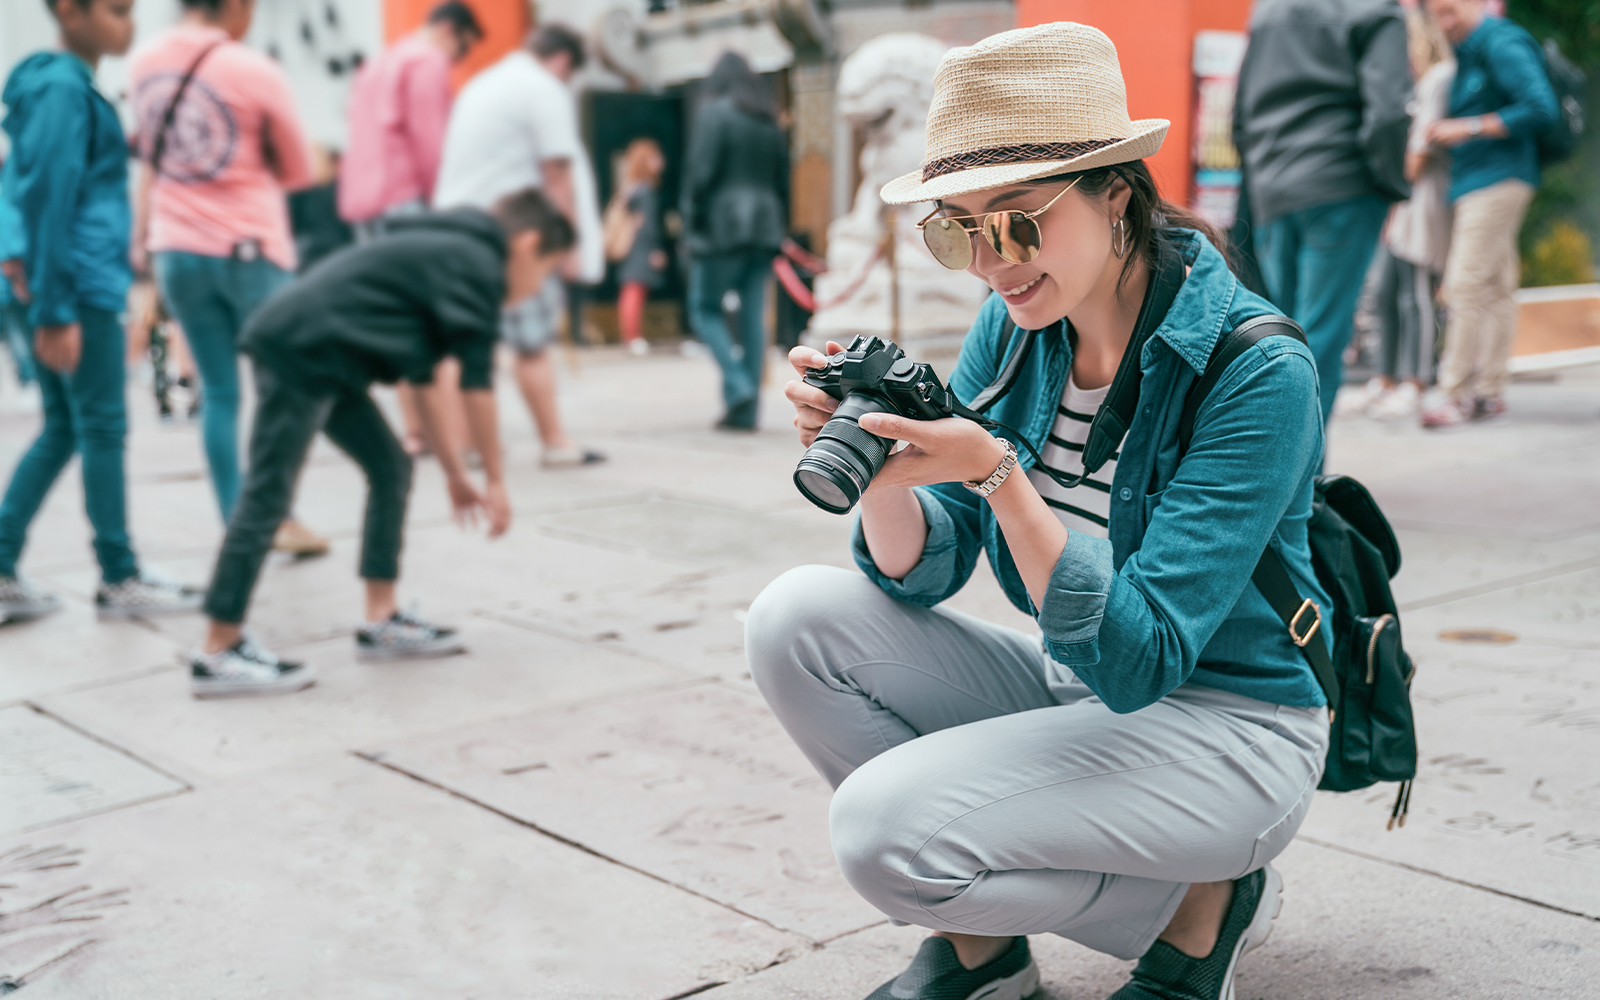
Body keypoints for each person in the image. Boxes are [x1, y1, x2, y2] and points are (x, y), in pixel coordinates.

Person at [748, 23, 1332, 1000]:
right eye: (955, 227)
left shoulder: (1257, 371)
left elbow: (1144, 656)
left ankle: (1208, 903)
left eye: (1016, 222)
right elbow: (928, 571)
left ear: (1117, 192)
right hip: (1083, 694)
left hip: (1231, 726)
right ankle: (988, 956)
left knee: (882, 831)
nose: (988, 261)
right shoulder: (1018, 326)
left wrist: (997, 477)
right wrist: (889, 477)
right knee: (790, 620)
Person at [189, 188, 573, 697]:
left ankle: (381, 618)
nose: (535, 287)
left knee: (392, 465)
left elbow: (428, 379)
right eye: (545, 271)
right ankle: (218, 648)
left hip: (329, 358)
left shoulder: (447, 252)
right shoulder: (479, 267)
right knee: (269, 493)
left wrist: (458, 474)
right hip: (301, 352)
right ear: (526, 245)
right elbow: (476, 388)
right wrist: (496, 482)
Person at [0, 0, 205, 624]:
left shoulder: (61, 87)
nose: (130, 23)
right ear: (71, 11)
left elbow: (31, 183)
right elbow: (47, 195)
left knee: (65, 427)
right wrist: (58, 307)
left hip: (71, 283)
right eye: (117, 10)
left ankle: (2, 564)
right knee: (101, 429)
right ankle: (119, 576)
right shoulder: (62, 87)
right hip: (79, 288)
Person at [129, 0, 327, 556]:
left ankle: (238, 524)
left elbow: (148, 158)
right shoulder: (251, 68)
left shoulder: (144, 61)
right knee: (286, 385)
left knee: (218, 392)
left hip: (175, 249)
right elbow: (299, 169)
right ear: (237, 6)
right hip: (248, 249)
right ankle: (277, 515)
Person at [1233, 0, 1414, 427]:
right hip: (1341, 186)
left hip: (1273, 187)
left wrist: (1262, 175)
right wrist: (1390, 184)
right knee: (1318, 344)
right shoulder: (1377, 9)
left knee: (1281, 343)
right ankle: (1303, 486)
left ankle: (1279, 480)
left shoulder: (1268, 11)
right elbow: (1389, 113)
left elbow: (1240, 112)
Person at [435, 23, 605, 469]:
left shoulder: (483, 83)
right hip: (511, 233)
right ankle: (555, 442)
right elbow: (557, 172)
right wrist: (567, 246)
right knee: (531, 342)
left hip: (455, 225)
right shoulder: (542, 89)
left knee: (462, 340)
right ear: (564, 61)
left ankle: (464, 445)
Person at [339, 0, 481, 459]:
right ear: (450, 29)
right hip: (407, 204)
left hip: (364, 205)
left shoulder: (379, 63)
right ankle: (456, 440)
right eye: (462, 48)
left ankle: (417, 433)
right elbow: (432, 139)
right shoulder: (427, 60)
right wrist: (450, 208)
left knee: (396, 323)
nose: (456, 61)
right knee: (436, 324)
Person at [1419, 0, 1558, 429]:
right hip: (1481, 178)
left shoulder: (1500, 42)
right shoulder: (1467, 48)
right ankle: (1490, 391)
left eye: (1450, 11)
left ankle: (1453, 392)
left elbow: (1541, 107)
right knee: (1497, 285)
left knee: (1464, 283)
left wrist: (1470, 127)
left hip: (1498, 178)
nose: (1444, 22)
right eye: (1436, 15)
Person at [1346, 8, 1457, 421]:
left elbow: (1417, 156)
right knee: (1386, 290)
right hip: (1402, 200)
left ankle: (1417, 380)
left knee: (1415, 294)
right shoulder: (1415, 83)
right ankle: (1386, 378)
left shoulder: (1439, 78)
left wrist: (1387, 177)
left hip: (1422, 200)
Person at [682, 52, 789, 432]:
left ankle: (739, 384)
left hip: (723, 225)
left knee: (705, 307)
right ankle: (746, 409)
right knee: (752, 315)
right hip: (764, 226)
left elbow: (701, 173)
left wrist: (690, 220)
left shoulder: (715, 111)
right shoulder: (768, 119)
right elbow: (782, 180)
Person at [608, 137, 668, 356]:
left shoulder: (631, 188)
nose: (660, 161)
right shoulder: (645, 191)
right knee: (634, 290)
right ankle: (632, 336)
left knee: (631, 289)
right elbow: (648, 224)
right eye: (655, 157)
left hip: (633, 245)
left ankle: (631, 335)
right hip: (641, 246)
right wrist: (655, 249)